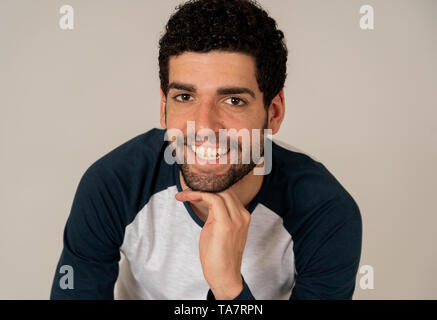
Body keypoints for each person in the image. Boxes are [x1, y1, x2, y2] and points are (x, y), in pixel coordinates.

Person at [50, 0, 362, 300]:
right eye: (185, 97)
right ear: (163, 107)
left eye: (233, 100)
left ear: (274, 113)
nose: (204, 127)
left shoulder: (325, 212)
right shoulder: (114, 183)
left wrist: (229, 289)